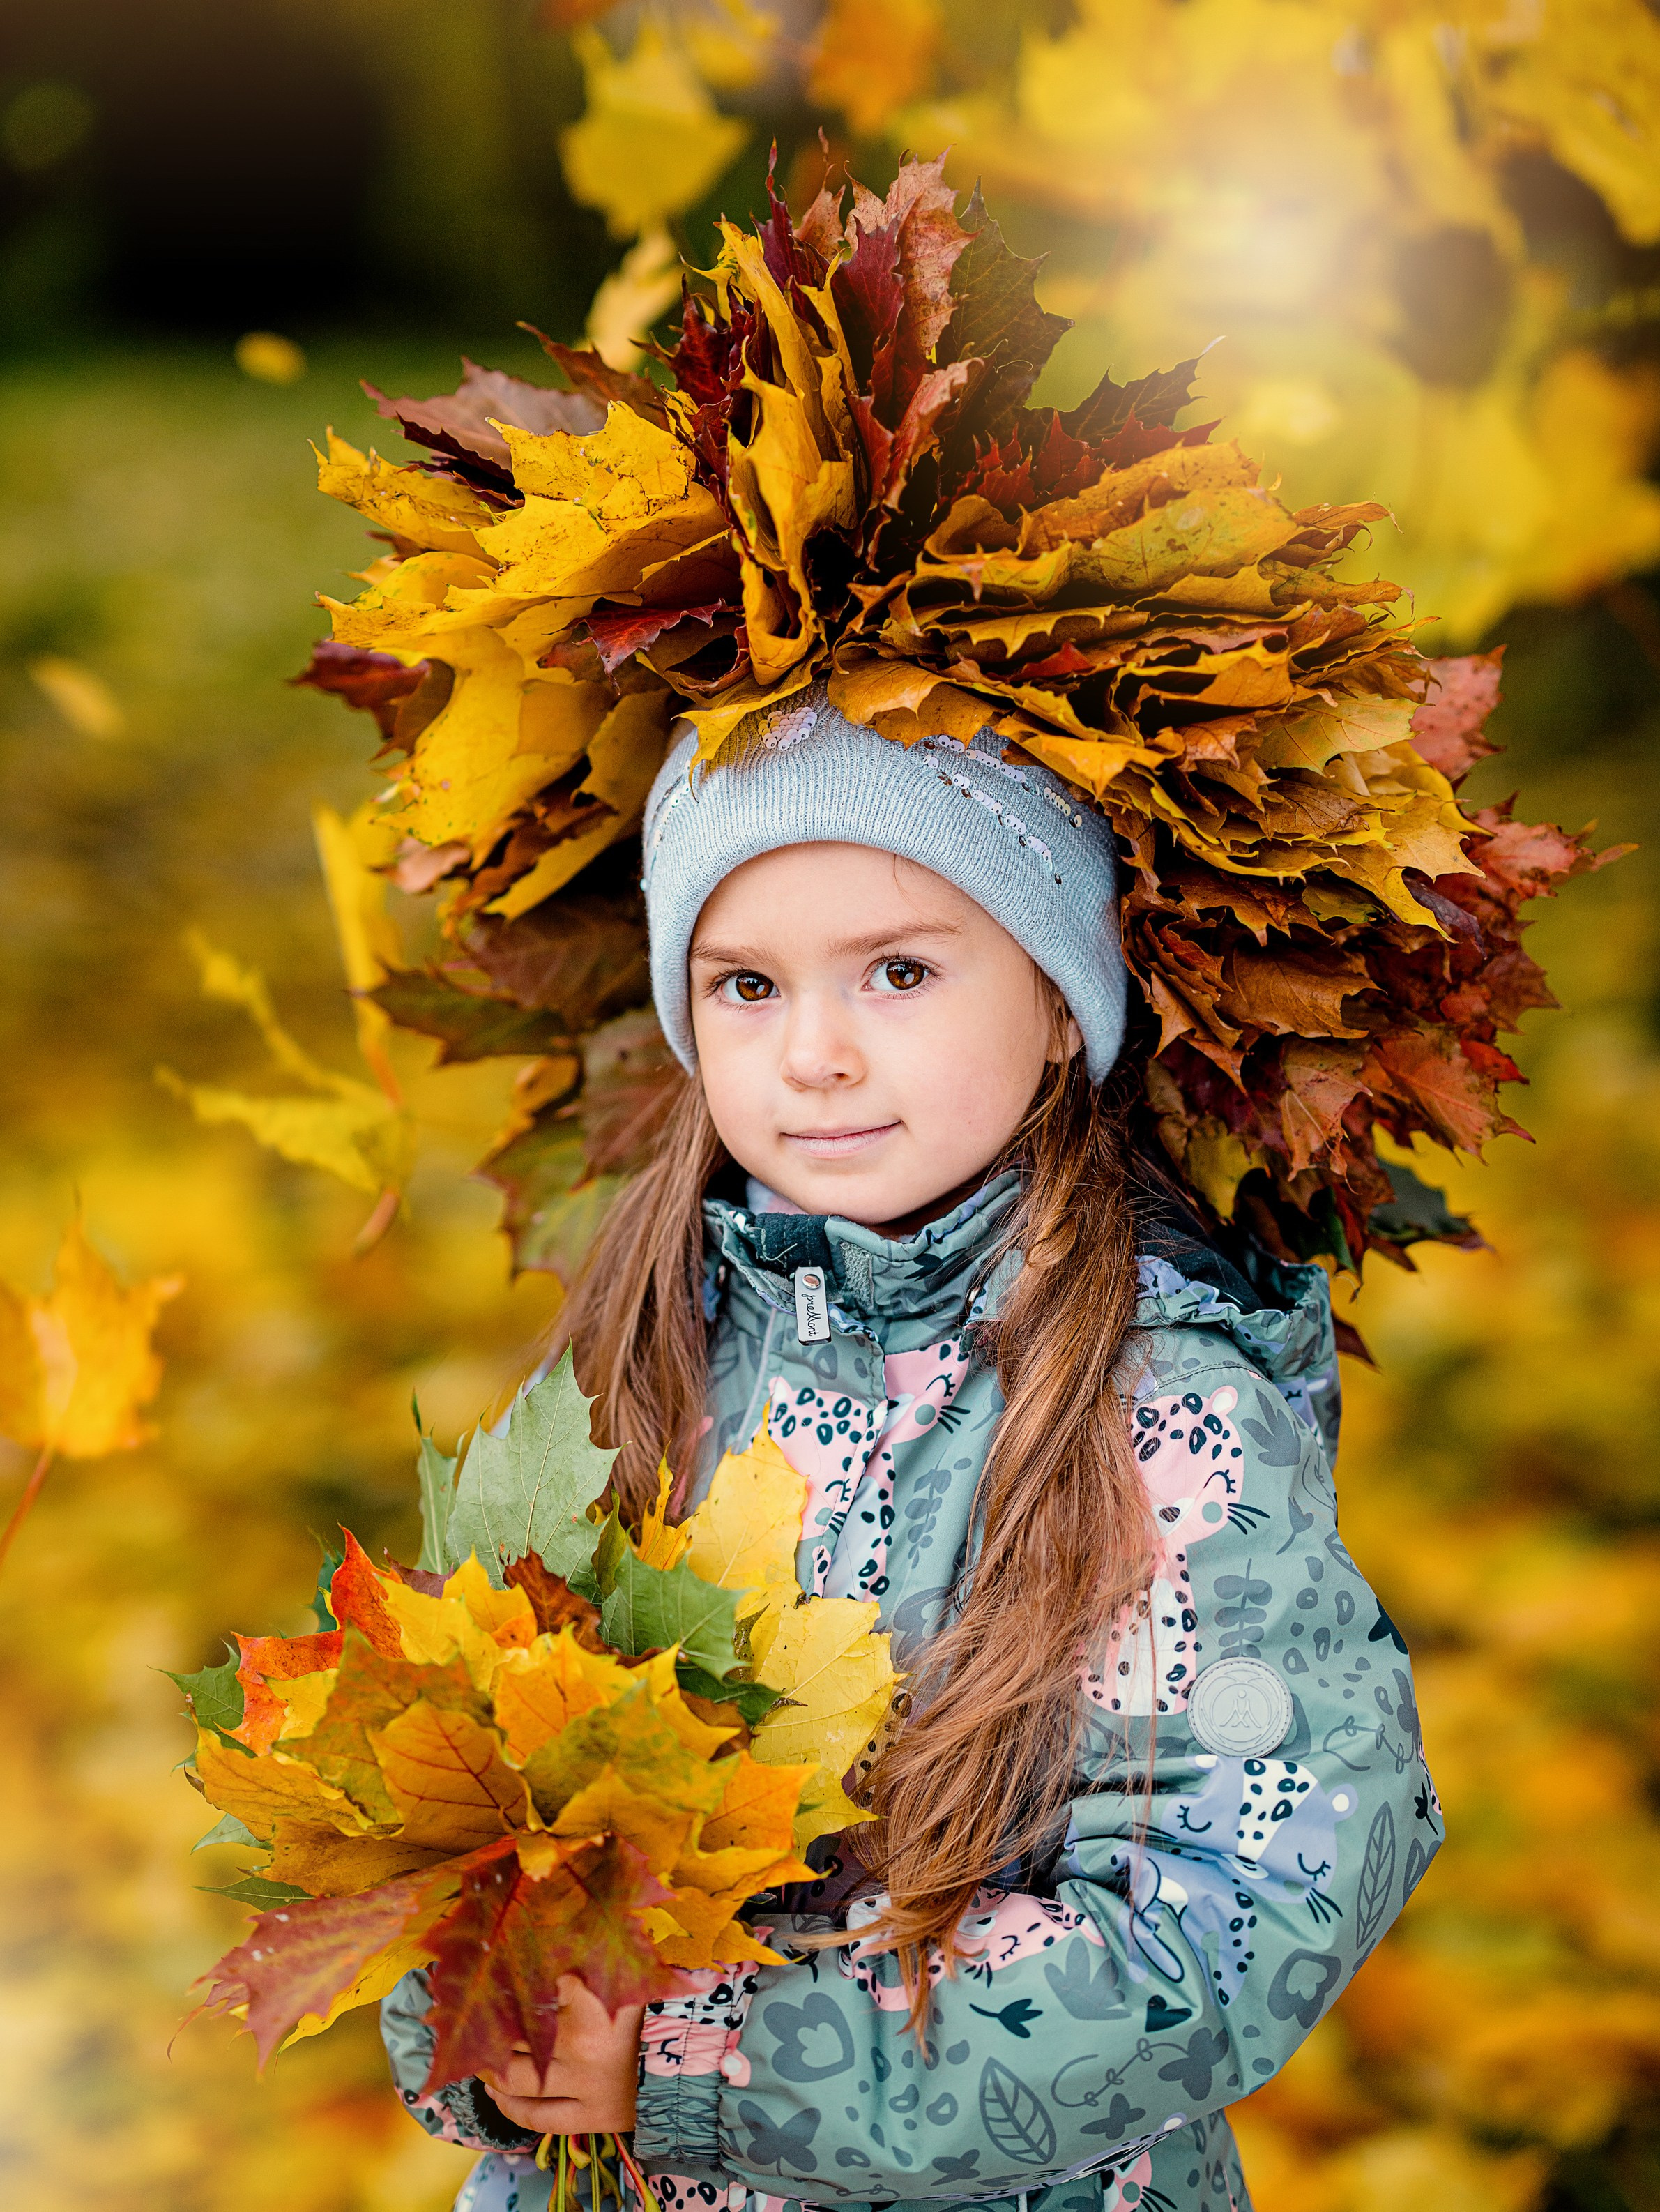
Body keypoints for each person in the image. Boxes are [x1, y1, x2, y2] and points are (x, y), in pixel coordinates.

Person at [379, 688, 1442, 2212]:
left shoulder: (1162, 1408)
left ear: (1060, 1002)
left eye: (896, 971)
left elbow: (1239, 1902)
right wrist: (496, 2016)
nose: (812, 1051)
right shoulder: (637, 1356)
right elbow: (459, 1787)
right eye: (746, 984)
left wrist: (695, 2060)